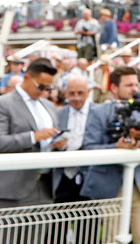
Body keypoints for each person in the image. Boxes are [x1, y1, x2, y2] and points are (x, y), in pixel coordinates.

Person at [81, 66, 140, 244]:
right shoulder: (98, 112)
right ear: (114, 88)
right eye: (129, 85)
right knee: (113, 239)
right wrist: (116, 148)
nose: (135, 89)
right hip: (111, 186)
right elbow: (89, 148)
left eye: (136, 84)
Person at [0, 58, 66, 209]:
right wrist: (33, 137)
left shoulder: (48, 106)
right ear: (26, 77)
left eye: (48, 88)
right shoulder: (1, 104)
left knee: (38, 234)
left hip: (45, 187)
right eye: (41, 86)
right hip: (11, 190)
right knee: (6, 234)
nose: (44, 92)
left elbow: (48, 140)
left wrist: (58, 143)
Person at [53, 75, 92, 203]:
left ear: (88, 92)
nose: (76, 98)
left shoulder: (99, 112)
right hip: (64, 177)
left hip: (89, 177)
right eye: (72, 93)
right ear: (65, 94)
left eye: (80, 93)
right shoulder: (58, 114)